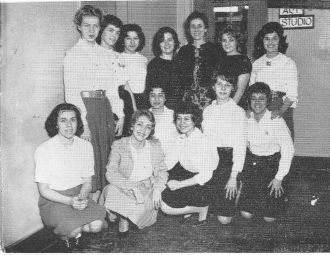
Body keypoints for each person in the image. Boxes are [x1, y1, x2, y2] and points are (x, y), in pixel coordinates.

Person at [64, 5, 126, 193]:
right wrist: (82, 123)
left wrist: (120, 115)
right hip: (86, 110)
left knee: (106, 157)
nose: (91, 30)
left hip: (104, 110)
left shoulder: (106, 54)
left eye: (96, 26)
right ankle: (92, 211)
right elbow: (72, 93)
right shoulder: (72, 55)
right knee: (90, 159)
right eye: (87, 25)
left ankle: (104, 207)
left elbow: (112, 88)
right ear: (79, 27)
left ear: (100, 28)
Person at [35, 103, 106, 251]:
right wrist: (69, 201)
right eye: (63, 120)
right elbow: (44, 190)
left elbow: (87, 181)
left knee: (96, 225)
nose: (69, 125)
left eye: (73, 119)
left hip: (78, 195)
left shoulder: (85, 146)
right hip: (54, 200)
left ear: (78, 122)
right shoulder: (44, 150)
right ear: (55, 123)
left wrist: (81, 197)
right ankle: (67, 236)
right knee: (73, 229)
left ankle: (76, 234)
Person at [102, 110, 168, 238]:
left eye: (148, 127)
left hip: (146, 190)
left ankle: (118, 212)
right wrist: (132, 187)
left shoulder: (155, 146)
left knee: (142, 215)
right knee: (110, 189)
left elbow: (162, 171)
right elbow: (111, 173)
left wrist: (158, 189)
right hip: (124, 188)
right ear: (132, 125)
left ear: (151, 130)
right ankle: (123, 217)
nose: (143, 130)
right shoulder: (119, 145)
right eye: (140, 124)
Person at [239, 82, 294, 222]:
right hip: (254, 167)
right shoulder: (245, 119)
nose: (257, 102)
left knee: (269, 218)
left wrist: (279, 178)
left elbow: (288, 150)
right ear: (249, 101)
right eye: (253, 98)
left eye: (261, 98)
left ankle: (283, 195)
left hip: (273, 167)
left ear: (268, 100)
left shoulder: (276, 120)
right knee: (246, 214)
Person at [161, 102, 218, 226]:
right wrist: (157, 174)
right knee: (160, 190)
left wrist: (180, 185)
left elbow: (206, 175)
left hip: (204, 182)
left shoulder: (202, 141)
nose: (182, 123)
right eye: (179, 118)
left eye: (187, 119)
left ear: (195, 120)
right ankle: (189, 209)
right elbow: (169, 162)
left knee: (165, 207)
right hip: (187, 175)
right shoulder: (181, 138)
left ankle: (202, 209)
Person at [202, 71, 247, 224]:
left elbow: (240, 146)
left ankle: (240, 187)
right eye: (219, 84)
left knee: (224, 219)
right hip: (209, 159)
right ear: (213, 87)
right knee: (208, 209)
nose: (223, 88)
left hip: (228, 161)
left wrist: (233, 177)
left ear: (233, 88)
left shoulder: (238, 112)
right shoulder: (207, 110)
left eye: (227, 85)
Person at [250, 22, 298, 139]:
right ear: (262, 41)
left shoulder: (288, 63)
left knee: (282, 144)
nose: (270, 42)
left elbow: (292, 94)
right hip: (259, 106)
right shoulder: (256, 64)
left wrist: (279, 111)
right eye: (267, 39)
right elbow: (251, 90)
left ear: (280, 41)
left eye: (274, 38)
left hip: (281, 106)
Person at [177, 11, 221, 110]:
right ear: (189, 29)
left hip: (210, 101)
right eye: (193, 26)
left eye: (200, 26)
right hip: (187, 102)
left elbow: (219, 77)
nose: (196, 29)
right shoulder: (183, 51)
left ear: (205, 29)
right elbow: (179, 79)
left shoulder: (215, 50)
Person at [117, 24, 148, 135]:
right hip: (127, 100)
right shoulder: (119, 57)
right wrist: (134, 107)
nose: (132, 42)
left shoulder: (143, 59)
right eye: (128, 38)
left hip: (143, 100)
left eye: (135, 38)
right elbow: (125, 85)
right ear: (122, 40)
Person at [145, 26, 180, 109]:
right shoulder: (154, 65)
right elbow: (151, 93)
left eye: (169, 40)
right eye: (162, 41)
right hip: (162, 110)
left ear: (175, 42)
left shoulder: (180, 62)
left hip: (179, 110)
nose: (166, 43)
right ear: (158, 44)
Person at [217, 27, 252, 109]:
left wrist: (229, 108)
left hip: (236, 106)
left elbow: (240, 91)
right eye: (224, 40)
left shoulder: (243, 60)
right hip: (221, 104)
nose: (227, 43)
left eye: (231, 40)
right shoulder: (220, 60)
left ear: (237, 41)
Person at [148, 86, 178, 152]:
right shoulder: (143, 117)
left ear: (165, 98)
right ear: (148, 98)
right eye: (153, 95)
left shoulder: (174, 115)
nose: (156, 99)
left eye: (160, 95)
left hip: (172, 158)